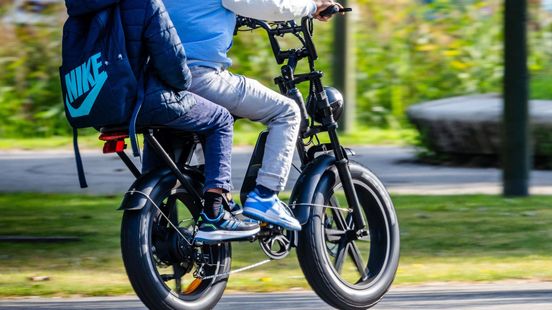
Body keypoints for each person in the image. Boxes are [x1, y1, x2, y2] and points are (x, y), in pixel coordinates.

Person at [65, 0, 259, 242]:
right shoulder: (145, 3)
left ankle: (152, 224)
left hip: (104, 105)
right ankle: (215, 211)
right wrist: (183, 84)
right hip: (144, 99)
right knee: (219, 119)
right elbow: (170, 58)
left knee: (162, 144)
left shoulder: (80, 12)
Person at [163, 0, 342, 231]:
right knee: (287, 111)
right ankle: (265, 195)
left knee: (210, 118)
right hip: (201, 78)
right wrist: (311, 6)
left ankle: (219, 197)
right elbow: (269, 5)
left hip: (161, 82)